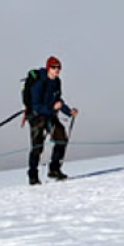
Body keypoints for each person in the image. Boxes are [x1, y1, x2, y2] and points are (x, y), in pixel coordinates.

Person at [27, 56, 77, 184]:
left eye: (59, 67)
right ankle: (33, 176)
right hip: (37, 118)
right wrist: (52, 108)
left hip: (50, 116)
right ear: (48, 68)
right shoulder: (39, 84)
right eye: (54, 67)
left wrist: (68, 111)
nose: (57, 70)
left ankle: (54, 169)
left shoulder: (57, 82)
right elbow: (36, 106)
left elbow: (58, 100)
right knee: (37, 147)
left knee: (61, 139)